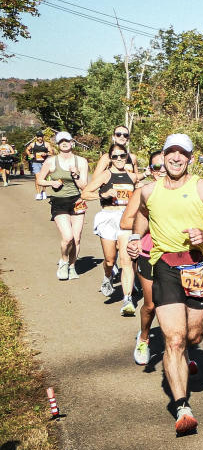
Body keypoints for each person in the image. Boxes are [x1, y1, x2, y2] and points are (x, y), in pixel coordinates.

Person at [126, 133, 203, 435]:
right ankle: (182, 406)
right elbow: (143, 215)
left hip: (197, 266)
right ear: (163, 156)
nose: (176, 158)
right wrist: (135, 238)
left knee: (193, 337)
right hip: (164, 266)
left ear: (190, 158)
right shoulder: (149, 190)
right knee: (174, 339)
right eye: (171, 152)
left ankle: (187, 354)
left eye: (182, 153)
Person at [83, 142, 138, 314]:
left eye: (122, 156)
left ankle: (127, 299)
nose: (119, 159)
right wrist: (103, 194)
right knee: (109, 260)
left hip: (125, 220)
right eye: (115, 156)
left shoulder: (132, 177)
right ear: (110, 158)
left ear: (127, 157)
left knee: (126, 261)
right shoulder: (105, 175)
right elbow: (85, 193)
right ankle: (108, 276)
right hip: (108, 217)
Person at [122, 149, 166, 366]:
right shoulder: (142, 192)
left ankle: (179, 348)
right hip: (149, 252)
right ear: (150, 170)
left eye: (165, 165)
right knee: (151, 305)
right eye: (157, 167)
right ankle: (144, 338)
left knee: (178, 304)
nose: (162, 170)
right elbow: (125, 222)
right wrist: (152, 221)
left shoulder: (183, 191)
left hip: (177, 253)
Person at [36, 131, 89, 280]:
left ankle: (72, 267)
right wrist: (51, 183)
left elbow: (84, 186)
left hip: (77, 201)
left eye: (67, 140)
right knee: (67, 237)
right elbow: (39, 180)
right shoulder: (51, 161)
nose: (64, 143)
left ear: (72, 142)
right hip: (59, 202)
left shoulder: (81, 161)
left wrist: (76, 175)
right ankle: (64, 261)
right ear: (57, 144)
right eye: (61, 141)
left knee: (76, 239)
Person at [25, 132, 53, 200]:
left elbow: (51, 152)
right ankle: (38, 194)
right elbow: (27, 150)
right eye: (38, 137)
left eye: (41, 136)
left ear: (43, 137)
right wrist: (29, 154)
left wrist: (46, 154)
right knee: (37, 178)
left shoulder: (46, 144)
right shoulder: (32, 144)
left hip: (44, 163)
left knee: (43, 178)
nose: (40, 138)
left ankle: (43, 192)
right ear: (36, 137)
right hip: (35, 162)